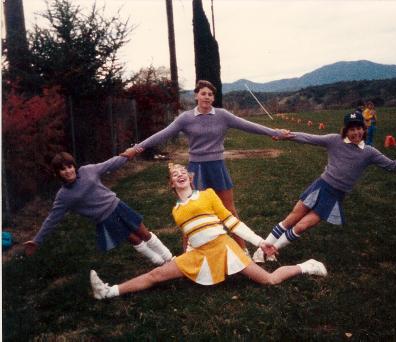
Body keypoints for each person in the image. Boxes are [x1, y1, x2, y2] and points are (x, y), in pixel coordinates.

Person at [90, 163, 327, 300]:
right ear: (172, 184)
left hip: (224, 248)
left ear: (190, 179)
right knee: (156, 275)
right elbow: (189, 235)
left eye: (183, 172)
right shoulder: (176, 211)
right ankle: (108, 291)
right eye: (175, 174)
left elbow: (232, 223)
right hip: (199, 253)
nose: (180, 174)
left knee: (269, 280)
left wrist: (259, 243)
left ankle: (307, 266)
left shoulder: (208, 195)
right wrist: (185, 257)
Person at [127, 80, 291, 257]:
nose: (207, 97)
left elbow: (249, 126)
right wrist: (137, 148)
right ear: (196, 95)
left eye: (210, 94)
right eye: (203, 93)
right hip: (195, 169)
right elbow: (163, 134)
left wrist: (274, 133)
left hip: (217, 167)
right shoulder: (185, 118)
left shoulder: (223, 115)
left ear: (213, 98)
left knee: (229, 212)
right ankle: (187, 255)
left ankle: (243, 250)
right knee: (191, 211)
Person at [252, 112, 396, 263]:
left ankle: (271, 251)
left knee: (302, 227)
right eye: (351, 129)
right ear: (346, 130)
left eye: (358, 128)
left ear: (364, 129)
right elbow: (308, 138)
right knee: (292, 219)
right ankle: (262, 249)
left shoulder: (369, 152)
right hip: (320, 186)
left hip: (335, 196)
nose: (355, 133)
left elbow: (394, 167)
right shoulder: (334, 140)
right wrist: (283, 136)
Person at [23, 148, 173, 265]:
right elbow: (52, 219)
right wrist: (37, 240)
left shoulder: (87, 171)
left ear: (74, 166)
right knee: (135, 240)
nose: (68, 171)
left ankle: (169, 258)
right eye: (63, 169)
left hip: (118, 207)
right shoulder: (63, 196)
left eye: (70, 166)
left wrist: (128, 155)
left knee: (144, 234)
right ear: (58, 173)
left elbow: (110, 164)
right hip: (107, 220)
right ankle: (159, 262)